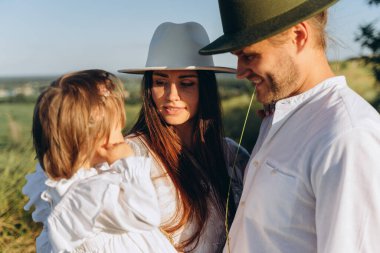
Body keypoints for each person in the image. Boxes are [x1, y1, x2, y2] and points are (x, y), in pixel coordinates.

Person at [199, 0, 380, 252]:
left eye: (249, 55)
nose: (239, 71)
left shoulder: (347, 137)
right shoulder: (276, 117)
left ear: (298, 36)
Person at [118, 21, 250, 252]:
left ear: (205, 89)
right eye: (160, 82)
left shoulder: (233, 156)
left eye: (186, 83)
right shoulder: (130, 157)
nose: (171, 95)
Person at [24, 69, 177, 253]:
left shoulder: (69, 182)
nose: (122, 136)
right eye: (117, 129)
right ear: (94, 138)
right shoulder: (91, 195)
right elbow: (147, 215)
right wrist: (128, 164)